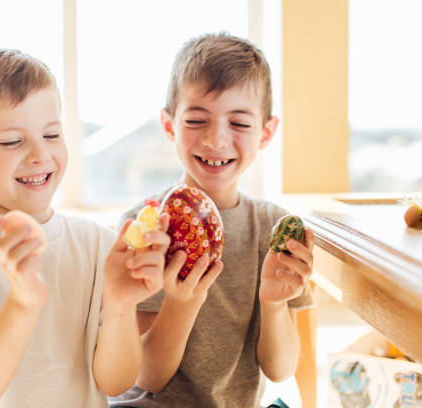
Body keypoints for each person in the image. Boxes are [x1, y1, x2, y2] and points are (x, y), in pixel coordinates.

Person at [0, 48, 172, 408]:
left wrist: (121, 305)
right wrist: (22, 302)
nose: (39, 155)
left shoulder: (99, 245)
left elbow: (115, 382)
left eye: (51, 135)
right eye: (12, 141)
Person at [110, 32, 315, 407]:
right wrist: (182, 301)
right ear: (170, 125)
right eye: (196, 120)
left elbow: (280, 369)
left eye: (238, 124)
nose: (217, 140)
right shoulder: (144, 227)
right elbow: (147, 375)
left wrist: (272, 304)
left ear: (266, 133)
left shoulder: (275, 228)